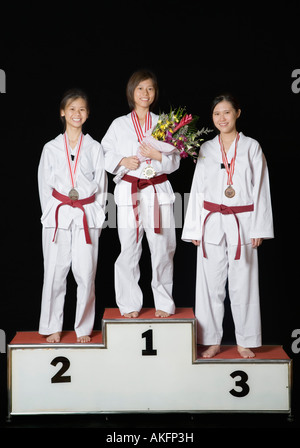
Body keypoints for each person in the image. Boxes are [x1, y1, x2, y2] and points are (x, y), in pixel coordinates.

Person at [182, 94, 274, 358]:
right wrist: (194, 229)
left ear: (237, 114)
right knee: (209, 284)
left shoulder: (252, 147)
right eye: (216, 114)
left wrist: (259, 228)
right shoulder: (207, 149)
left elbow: (261, 189)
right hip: (211, 222)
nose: (222, 118)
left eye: (227, 113)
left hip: (243, 222)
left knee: (242, 283)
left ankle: (245, 340)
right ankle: (211, 340)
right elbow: (197, 189)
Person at [102, 69, 180, 318]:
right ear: (131, 92)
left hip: (158, 190)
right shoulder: (119, 124)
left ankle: (164, 303)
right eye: (140, 88)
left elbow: (176, 159)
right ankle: (129, 304)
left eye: (150, 88)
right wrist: (123, 160)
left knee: (164, 248)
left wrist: (158, 156)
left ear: (155, 93)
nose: (145, 93)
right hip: (129, 191)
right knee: (128, 249)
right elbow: (104, 154)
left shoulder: (164, 123)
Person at [38, 88, 107, 343]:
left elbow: (101, 187)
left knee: (86, 273)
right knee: (55, 273)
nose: (76, 113)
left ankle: (83, 328)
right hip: (58, 215)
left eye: (81, 109)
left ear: (87, 114)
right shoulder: (51, 148)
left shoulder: (95, 147)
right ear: (62, 113)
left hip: (87, 214)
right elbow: (44, 187)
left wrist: (97, 219)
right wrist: (51, 214)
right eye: (72, 109)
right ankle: (52, 326)